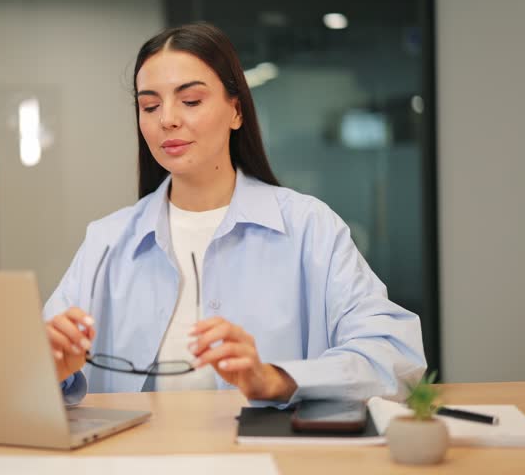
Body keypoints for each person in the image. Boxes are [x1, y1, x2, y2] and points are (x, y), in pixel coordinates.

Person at [43, 22, 426, 406]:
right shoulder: (107, 240)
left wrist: (277, 378)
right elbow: (28, 369)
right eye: (150, 106)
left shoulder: (308, 227)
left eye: (190, 101)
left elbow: (395, 357)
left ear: (236, 111)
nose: (167, 119)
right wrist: (53, 368)